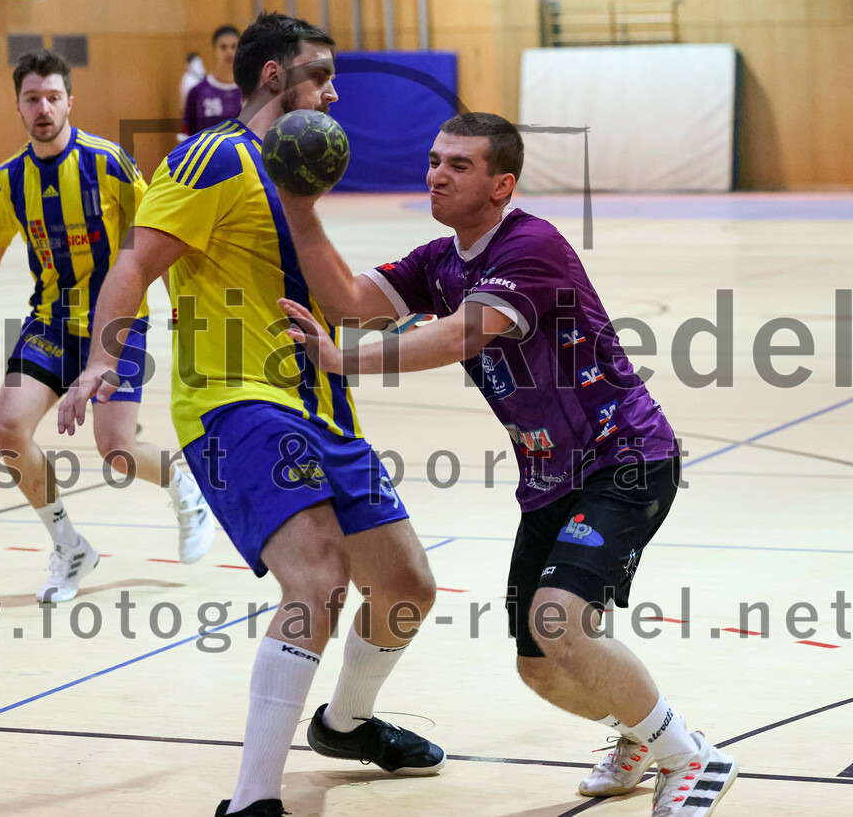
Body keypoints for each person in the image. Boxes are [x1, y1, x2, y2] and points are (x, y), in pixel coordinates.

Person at [276, 112, 739, 817]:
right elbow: (349, 300)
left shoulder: (530, 244)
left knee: (559, 622)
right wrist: (302, 210)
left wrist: (344, 360)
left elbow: (464, 333)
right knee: (539, 667)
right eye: (434, 159)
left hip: (626, 458)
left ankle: (689, 755)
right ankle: (640, 734)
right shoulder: (444, 259)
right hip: (548, 479)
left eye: (458, 164)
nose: (436, 172)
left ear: (502, 184)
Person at [58, 12, 444, 817]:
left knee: (407, 586)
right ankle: (251, 800)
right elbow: (134, 262)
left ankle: (344, 724)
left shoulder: (291, 170)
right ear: (275, 77)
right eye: (322, 74)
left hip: (323, 405)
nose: (334, 92)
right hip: (234, 400)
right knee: (317, 574)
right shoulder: (211, 157)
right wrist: (102, 356)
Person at [0, 49, 215, 603]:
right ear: (18, 107)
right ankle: (70, 546)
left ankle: (182, 485)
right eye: (31, 98)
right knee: (7, 429)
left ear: (71, 100)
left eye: (52, 96)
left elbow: (156, 236)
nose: (43, 107)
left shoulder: (109, 162)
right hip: (50, 322)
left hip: (116, 324)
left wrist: (179, 304)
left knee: (116, 450)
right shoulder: (9, 181)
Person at [180, 24, 243, 140]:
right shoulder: (197, 92)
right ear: (215, 49)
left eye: (234, 46)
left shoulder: (249, 91)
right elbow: (185, 138)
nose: (229, 52)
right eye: (223, 47)